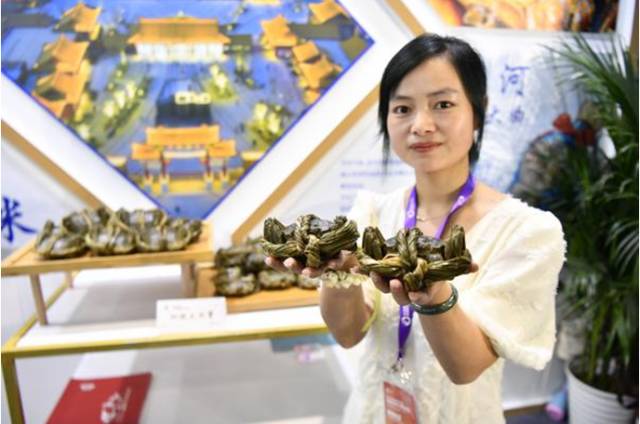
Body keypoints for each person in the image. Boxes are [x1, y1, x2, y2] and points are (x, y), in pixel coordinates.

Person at [266, 34, 565, 423]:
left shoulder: (528, 233)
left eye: (443, 104)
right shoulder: (371, 214)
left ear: (479, 111)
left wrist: (433, 290)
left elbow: (466, 366)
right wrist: (337, 273)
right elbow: (348, 334)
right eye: (403, 108)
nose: (421, 125)